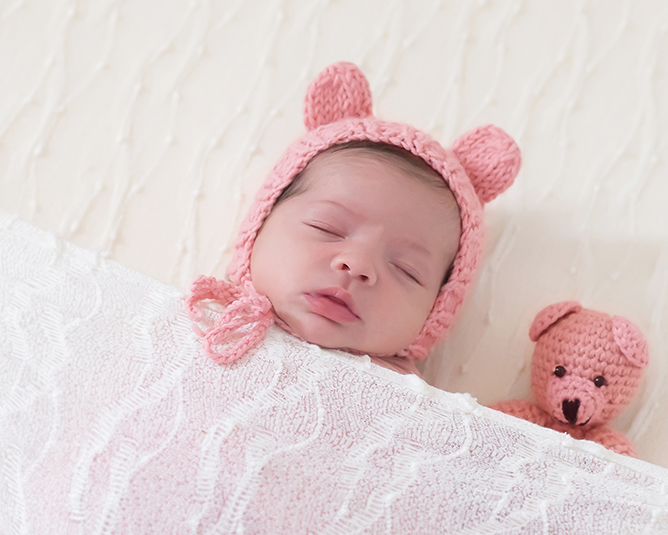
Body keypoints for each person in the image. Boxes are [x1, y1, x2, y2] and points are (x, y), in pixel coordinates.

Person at [187, 61, 521, 377]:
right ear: (257, 228)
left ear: (436, 310)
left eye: (407, 270)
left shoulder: (411, 407)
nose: (358, 264)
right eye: (327, 228)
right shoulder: (194, 322)